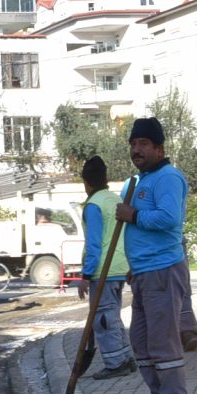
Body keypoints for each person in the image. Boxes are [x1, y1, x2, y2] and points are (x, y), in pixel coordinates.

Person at [116, 116, 193, 394]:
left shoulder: (167, 178)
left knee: (163, 341)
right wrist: (132, 267)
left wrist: (133, 214)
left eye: (143, 144)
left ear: (159, 149)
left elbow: (168, 219)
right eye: (133, 144)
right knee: (142, 341)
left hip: (163, 269)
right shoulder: (136, 182)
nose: (137, 150)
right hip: (144, 272)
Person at [77, 156, 133, 380]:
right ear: (106, 178)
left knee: (103, 317)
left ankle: (115, 362)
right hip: (121, 266)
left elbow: (93, 243)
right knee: (113, 314)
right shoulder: (114, 199)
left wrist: (85, 274)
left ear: (86, 182)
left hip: (103, 269)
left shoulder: (94, 205)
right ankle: (125, 357)